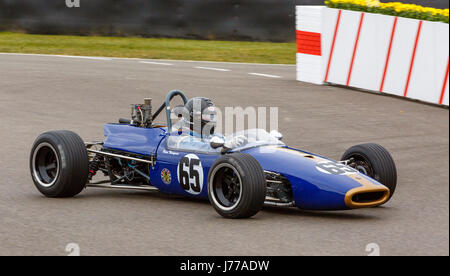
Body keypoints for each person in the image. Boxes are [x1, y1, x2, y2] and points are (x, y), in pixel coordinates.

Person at [168, 97, 246, 152]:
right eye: (207, 116)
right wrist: (224, 147)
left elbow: (228, 142)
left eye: (212, 116)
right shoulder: (182, 138)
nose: (211, 120)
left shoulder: (213, 136)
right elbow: (204, 149)